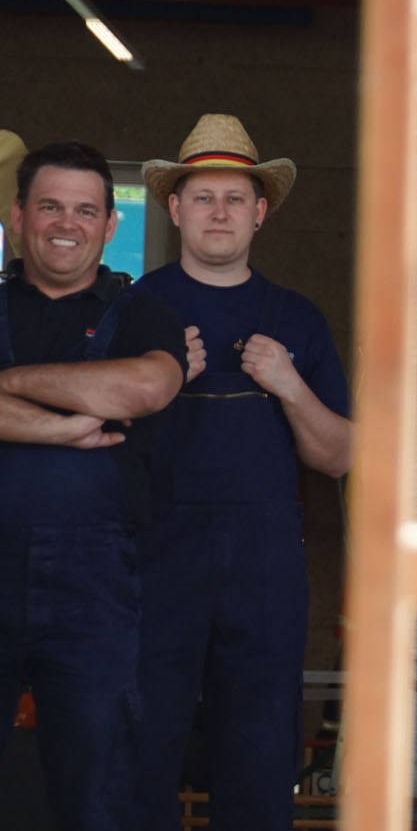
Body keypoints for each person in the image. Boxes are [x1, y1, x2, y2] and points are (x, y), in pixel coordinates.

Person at [131, 115, 352, 831]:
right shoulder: (133, 312)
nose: (219, 212)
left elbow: (340, 455)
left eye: (235, 198)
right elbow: (92, 435)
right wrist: (158, 382)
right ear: (175, 209)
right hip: (150, 559)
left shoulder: (297, 319)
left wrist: (290, 386)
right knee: (139, 749)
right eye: (203, 197)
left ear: (261, 212)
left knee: (258, 756)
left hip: (263, 566)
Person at [0, 141, 186, 831]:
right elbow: (108, 395)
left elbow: (144, 388)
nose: (65, 224)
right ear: (18, 215)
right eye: (49, 206)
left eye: (85, 211)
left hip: (94, 589)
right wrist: (61, 426)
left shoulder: (143, 313)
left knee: (97, 794)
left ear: (110, 226)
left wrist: (11, 386)